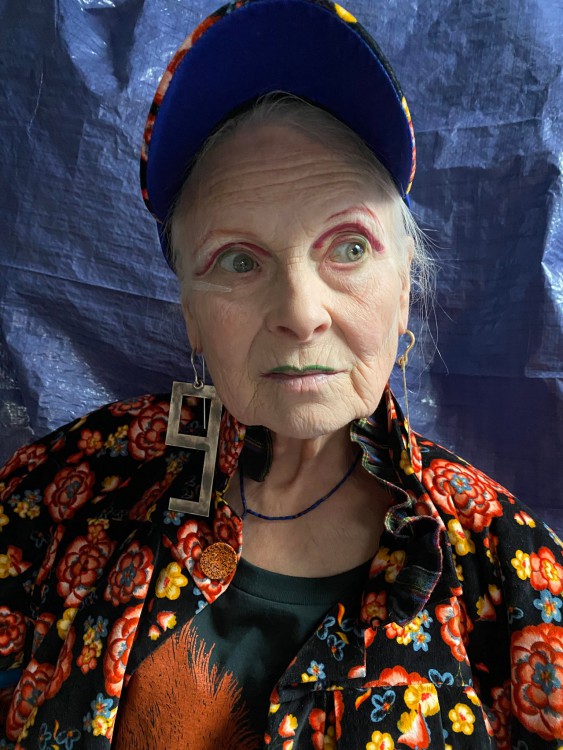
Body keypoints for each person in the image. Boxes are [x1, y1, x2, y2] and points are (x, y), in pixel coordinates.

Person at [1, 0, 562, 748]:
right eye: (238, 260)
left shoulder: (509, 572)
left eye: (349, 248)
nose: (300, 312)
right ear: (191, 315)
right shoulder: (67, 489)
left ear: (404, 292)